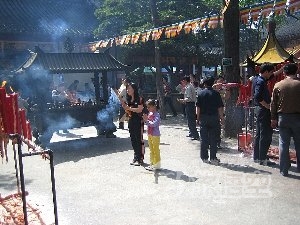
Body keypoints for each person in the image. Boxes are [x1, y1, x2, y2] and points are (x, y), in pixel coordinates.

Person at [270, 63, 300, 176]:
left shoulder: (278, 85)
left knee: (283, 143)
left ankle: (284, 169)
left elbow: (273, 104)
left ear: (284, 73)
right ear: (296, 71)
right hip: (298, 118)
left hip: (283, 118)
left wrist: (273, 118)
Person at [253, 62, 283, 166]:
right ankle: (262, 159)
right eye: (270, 72)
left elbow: (272, 76)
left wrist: (280, 71)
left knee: (259, 134)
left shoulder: (258, 79)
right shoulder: (260, 82)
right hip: (263, 111)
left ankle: (257, 157)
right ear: (265, 72)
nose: (271, 74)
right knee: (265, 135)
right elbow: (257, 97)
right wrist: (268, 107)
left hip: (260, 110)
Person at [196, 77, 224, 165]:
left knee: (203, 138)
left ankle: (204, 157)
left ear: (204, 84)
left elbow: (198, 108)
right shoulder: (216, 94)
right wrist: (222, 118)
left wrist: (197, 118)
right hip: (214, 118)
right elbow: (220, 107)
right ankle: (213, 158)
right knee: (213, 138)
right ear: (213, 83)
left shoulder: (200, 94)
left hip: (203, 118)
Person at [122, 82, 145, 166]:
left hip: (138, 120)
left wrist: (130, 108)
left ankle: (140, 158)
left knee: (139, 139)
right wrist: (126, 109)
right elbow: (128, 110)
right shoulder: (128, 99)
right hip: (131, 120)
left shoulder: (139, 99)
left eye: (129, 88)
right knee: (133, 139)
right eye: (127, 88)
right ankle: (135, 156)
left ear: (134, 89)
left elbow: (139, 110)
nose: (128, 90)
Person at [177, 75, 199, 140]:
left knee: (191, 120)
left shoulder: (189, 87)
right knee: (189, 120)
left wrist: (182, 100)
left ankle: (195, 134)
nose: (182, 82)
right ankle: (192, 133)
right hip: (189, 104)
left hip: (190, 104)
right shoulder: (188, 87)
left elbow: (189, 98)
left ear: (185, 81)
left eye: (183, 81)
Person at [142, 99, 161, 171]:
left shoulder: (157, 115)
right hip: (150, 134)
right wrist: (145, 120)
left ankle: (157, 164)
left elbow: (154, 124)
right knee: (151, 150)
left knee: (156, 150)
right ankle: (152, 163)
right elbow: (148, 123)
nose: (148, 108)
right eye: (147, 107)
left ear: (154, 106)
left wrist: (146, 120)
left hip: (155, 135)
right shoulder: (150, 114)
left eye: (149, 107)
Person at [212, 76, 230, 149]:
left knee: (219, 127)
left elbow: (227, 97)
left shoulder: (223, 90)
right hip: (212, 110)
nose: (221, 83)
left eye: (222, 82)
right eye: (219, 82)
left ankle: (218, 142)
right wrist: (215, 86)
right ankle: (212, 142)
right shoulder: (213, 89)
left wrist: (228, 89)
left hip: (221, 110)